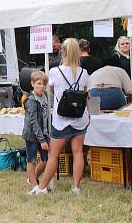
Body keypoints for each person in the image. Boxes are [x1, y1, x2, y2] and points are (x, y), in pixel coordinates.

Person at [30, 38, 89, 195]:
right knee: (78, 152)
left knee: (53, 155)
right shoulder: (84, 73)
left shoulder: (55, 72)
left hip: (61, 119)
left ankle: (42, 187)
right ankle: (76, 187)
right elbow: (85, 92)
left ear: (62, 51)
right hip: (79, 118)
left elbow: (51, 90)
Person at [22, 70, 50, 190]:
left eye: (44, 84)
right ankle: (34, 186)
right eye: (39, 83)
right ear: (32, 83)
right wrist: (42, 140)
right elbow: (33, 122)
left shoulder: (45, 96)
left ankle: (33, 178)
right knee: (31, 159)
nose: (42, 86)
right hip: (32, 135)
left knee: (46, 160)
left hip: (44, 133)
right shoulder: (31, 100)